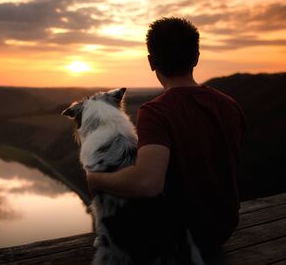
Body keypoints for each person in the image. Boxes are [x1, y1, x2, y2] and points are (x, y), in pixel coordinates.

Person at [86, 17, 246, 257]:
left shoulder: (157, 112)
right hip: (223, 228)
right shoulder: (229, 105)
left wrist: (95, 179)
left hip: (179, 236)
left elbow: (148, 183)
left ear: (151, 62)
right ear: (196, 57)